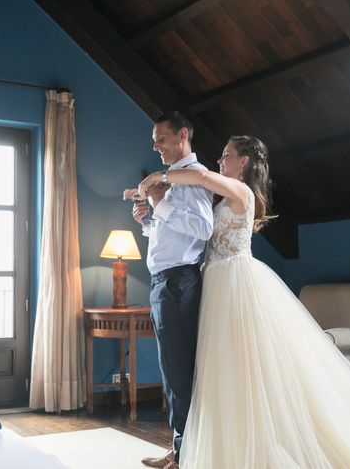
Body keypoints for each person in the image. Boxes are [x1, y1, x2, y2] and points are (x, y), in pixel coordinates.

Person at [132, 135, 350, 468]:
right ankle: (209, 446)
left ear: (244, 161)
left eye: (226, 155)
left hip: (235, 284)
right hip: (216, 282)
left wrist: (158, 177)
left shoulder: (242, 192)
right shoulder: (222, 198)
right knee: (218, 368)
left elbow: (202, 176)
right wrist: (151, 215)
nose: (220, 161)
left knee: (241, 366)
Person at [126, 112, 213, 469]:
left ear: (182, 136)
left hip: (178, 283)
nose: (155, 145)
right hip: (166, 282)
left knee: (178, 371)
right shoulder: (172, 181)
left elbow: (203, 228)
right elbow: (174, 235)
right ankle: (182, 449)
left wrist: (161, 204)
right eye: (154, 140)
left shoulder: (193, 178)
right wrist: (149, 221)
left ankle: (184, 454)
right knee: (172, 370)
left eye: (161, 138)